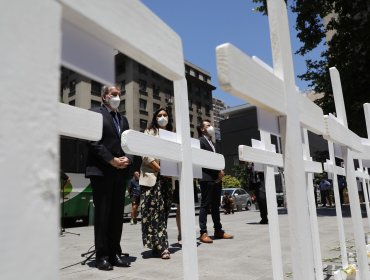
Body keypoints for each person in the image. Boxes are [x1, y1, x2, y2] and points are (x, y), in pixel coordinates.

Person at [85, 85, 133, 271]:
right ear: (104, 96)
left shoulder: (123, 119)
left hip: (120, 172)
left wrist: (127, 159)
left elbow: (130, 144)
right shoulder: (94, 113)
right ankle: (102, 256)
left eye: (119, 95)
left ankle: (115, 253)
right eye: (113, 94)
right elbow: (91, 140)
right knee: (103, 214)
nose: (117, 97)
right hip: (102, 171)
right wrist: (111, 159)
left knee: (116, 216)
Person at [139, 108, 173, 260]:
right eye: (159, 115)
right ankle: (163, 247)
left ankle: (156, 245)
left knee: (164, 212)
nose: (162, 117)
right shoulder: (149, 132)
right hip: (152, 179)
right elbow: (146, 156)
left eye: (165, 115)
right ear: (154, 118)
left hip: (167, 180)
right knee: (153, 214)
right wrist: (162, 169)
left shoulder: (172, 135)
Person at [197, 119, 233, 243]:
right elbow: (202, 160)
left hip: (217, 179)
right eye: (208, 125)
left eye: (210, 125)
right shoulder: (200, 141)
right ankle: (203, 232)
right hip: (207, 177)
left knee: (216, 206)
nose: (210, 127)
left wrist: (220, 173)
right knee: (205, 205)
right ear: (202, 129)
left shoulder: (213, 143)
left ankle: (218, 230)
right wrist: (216, 172)